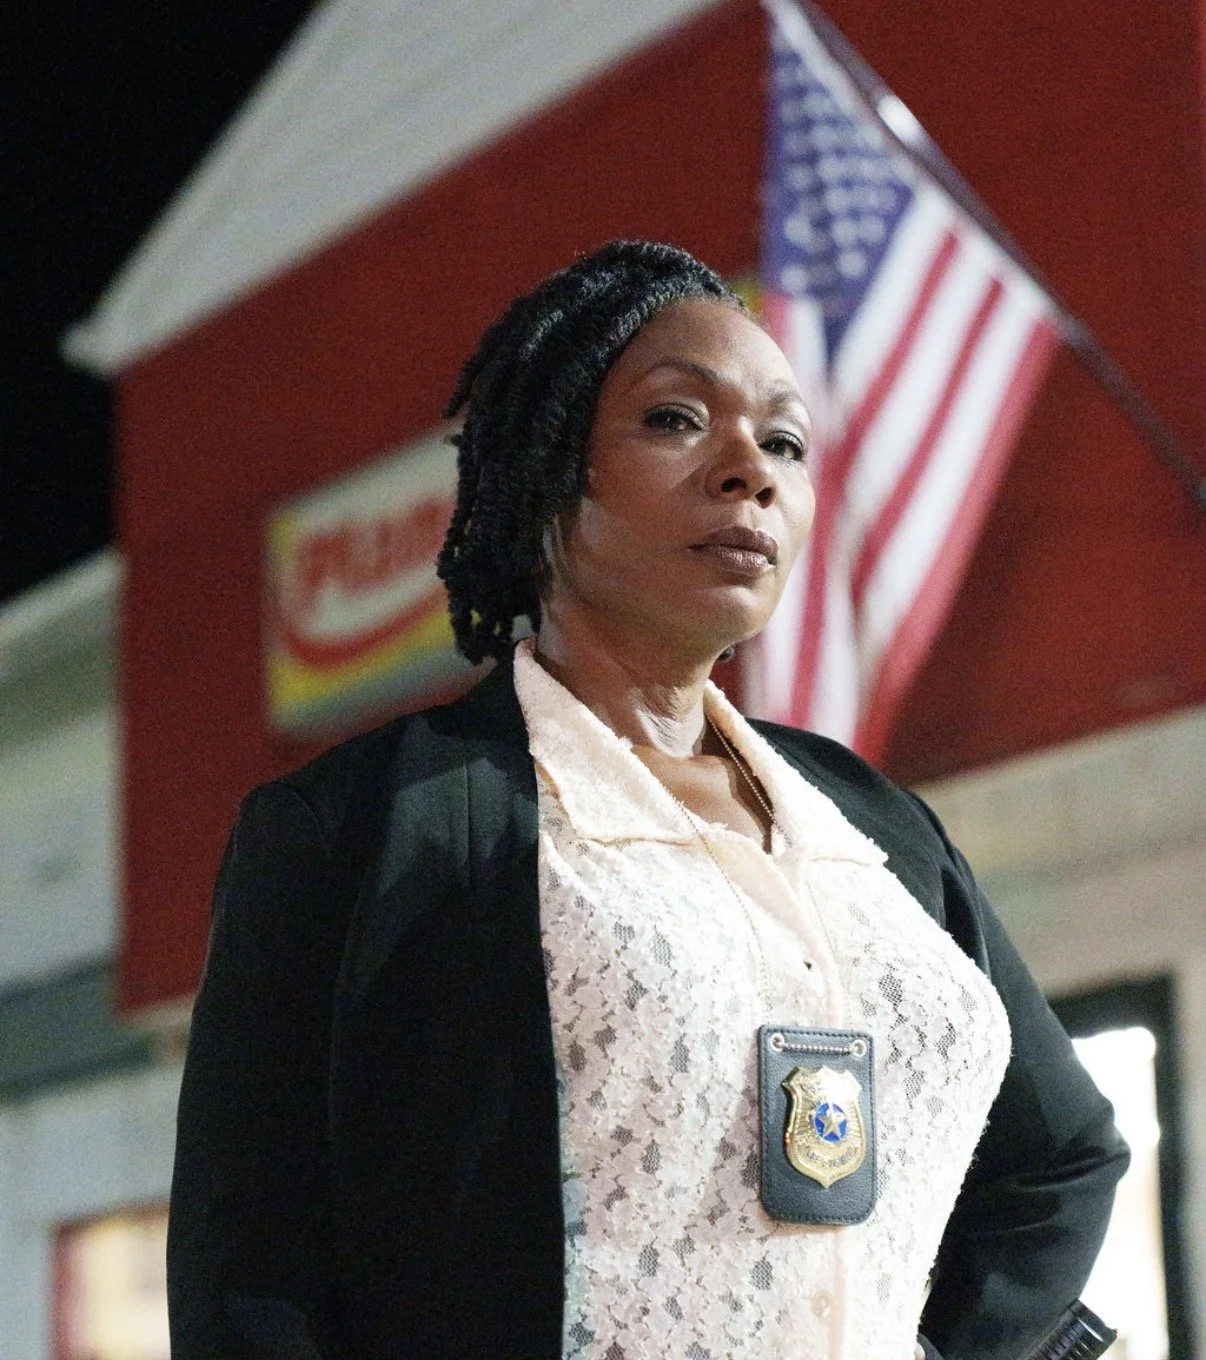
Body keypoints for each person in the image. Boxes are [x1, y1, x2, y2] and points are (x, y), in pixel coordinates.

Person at [167, 240, 1128, 1360]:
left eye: (785, 442)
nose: (750, 470)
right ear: (544, 471)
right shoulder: (363, 829)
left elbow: (1062, 1158)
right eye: (677, 419)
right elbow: (250, 1287)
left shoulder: (877, 826)